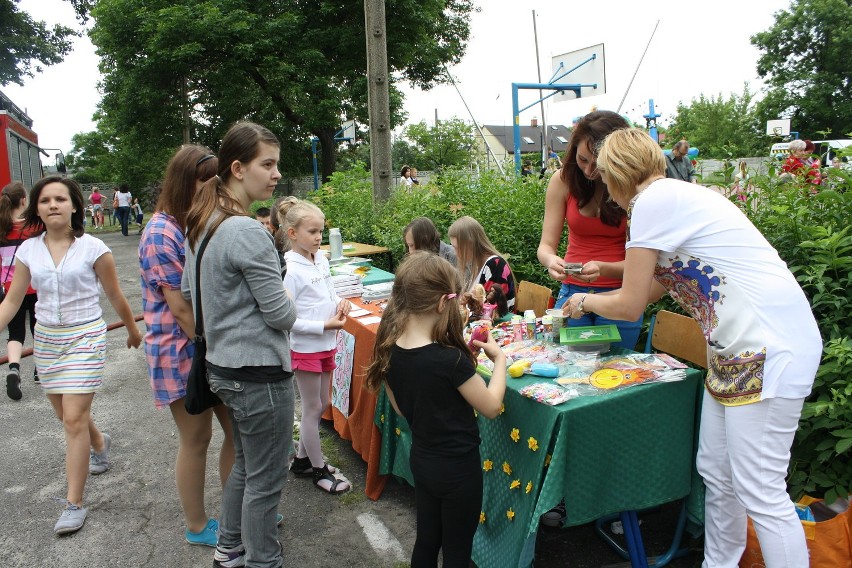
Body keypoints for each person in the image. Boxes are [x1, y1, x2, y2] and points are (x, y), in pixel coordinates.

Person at [564, 128, 822, 568]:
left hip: (768, 347)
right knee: (718, 476)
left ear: (620, 171)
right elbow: (650, 288)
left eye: (605, 176)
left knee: (760, 491)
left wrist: (582, 301)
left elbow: (628, 306)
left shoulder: (653, 202)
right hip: (736, 350)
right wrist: (600, 278)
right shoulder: (670, 201)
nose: (604, 187)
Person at [181, 122, 297, 568]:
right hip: (259, 374)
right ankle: (262, 560)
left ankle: (228, 550)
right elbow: (281, 316)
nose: (274, 175)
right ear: (236, 168)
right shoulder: (247, 231)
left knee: (247, 467)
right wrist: (285, 295)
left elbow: (193, 298)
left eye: (277, 165)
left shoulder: (203, 222)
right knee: (265, 480)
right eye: (266, 164)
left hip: (223, 368)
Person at [0, 176, 142, 534]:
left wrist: (132, 328)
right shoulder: (28, 250)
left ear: (75, 205)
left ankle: (73, 503)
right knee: (67, 415)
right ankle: (99, 442)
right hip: (47, 340)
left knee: (73, 419)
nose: (52, 205)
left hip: (85, 337)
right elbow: (13, 301)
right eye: (45, 200)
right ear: (37, 208)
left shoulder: (95, 248)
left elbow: (115, 296)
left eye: (60, 199)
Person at [364, 251, 507, 568]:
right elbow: (492, 406)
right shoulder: (450, 361)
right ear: (444, 303)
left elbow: (402, 409)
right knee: (457, 551)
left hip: (423, 462)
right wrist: (500, 362)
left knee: (428, 540)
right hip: (458, 471)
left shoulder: (390, 349)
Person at [138, 145, 235, 547]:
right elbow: (179, 307)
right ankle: (197, 525)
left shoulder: (194, 223)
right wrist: (214, 347)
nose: (213, 190)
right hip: (183, 351)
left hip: (210, 345)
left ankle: (239, 509)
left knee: (239, 432)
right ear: (184, 182)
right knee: (197, 438)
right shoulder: (162, 232)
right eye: (205, 182)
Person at [536, 110, 641, 352]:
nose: (589, 170)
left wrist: (603, 268)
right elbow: (545, 246)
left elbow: (647, 264)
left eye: (598, 163)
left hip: (619, 296)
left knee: (615, 374)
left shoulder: (631, 186)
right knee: (569, 371)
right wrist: (552, 261)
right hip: (572, 294)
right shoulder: (562, 180)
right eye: (583, 160)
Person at [277, 196, 353, 494]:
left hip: (326, 342)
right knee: (311, 408)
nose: (319, 237)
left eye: (321, 231)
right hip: (306, 347)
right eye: (312, 232)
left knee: (321, 404)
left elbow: (328, 293)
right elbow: (288, 319)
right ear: (292, 233)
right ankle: (318, 470)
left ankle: (302, 461)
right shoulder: (290, 269)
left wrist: (340, 304)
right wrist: (325, 324)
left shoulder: (319, 258)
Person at [1, 182, 39, 399]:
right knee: (38, 329)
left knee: (15, 333)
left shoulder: (1, 228)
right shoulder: (33, 228)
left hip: (10, 290)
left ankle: (14, 368)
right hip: (34, 286)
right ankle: (39, 370)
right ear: (23, 201)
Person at [448, 216, 516, 312]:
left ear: (470, 243)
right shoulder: (478, 265)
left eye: (457, 248)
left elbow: (491, 309)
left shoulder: (495, 265)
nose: (455, 253)